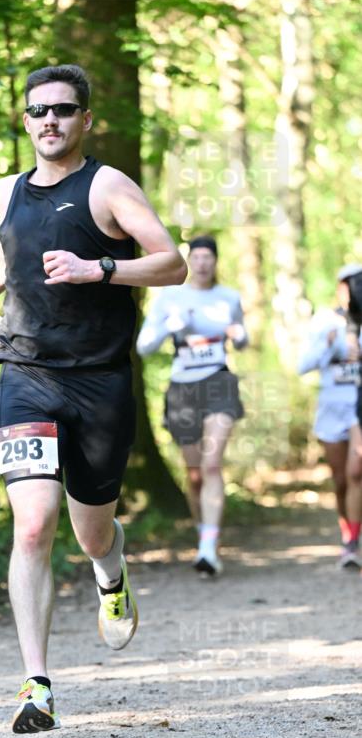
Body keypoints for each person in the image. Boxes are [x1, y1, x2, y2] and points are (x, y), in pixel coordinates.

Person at [0, 64, 186, 734]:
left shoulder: (108, 186)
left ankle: (110, 571)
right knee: (31, 523)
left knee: (90, 530)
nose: (50, 121)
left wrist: (101, 269)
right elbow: (10, 255)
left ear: (85, 119)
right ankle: (36, 686)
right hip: (25, 373)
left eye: (63, 110)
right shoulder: (7, 190)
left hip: (100, 380)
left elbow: (171, 263)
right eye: (38, 111)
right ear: (25, 120)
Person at [136, 235, 247, 575]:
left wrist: (239, 335)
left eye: (208, 257)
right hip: (183, 388)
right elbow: (143, 347)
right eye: (196, 257)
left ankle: (209, 549)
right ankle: (203, 535)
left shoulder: (229, 297)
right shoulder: (170, 297)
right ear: (188, 260)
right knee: (196, 474)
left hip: (218, 382)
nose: (202, 263)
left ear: (215, 261)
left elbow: (243, 337)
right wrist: (172, 325)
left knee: (212, 465)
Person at [298, 264, 362, 569]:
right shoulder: (324, 321)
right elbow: (303, 365)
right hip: (331, 410)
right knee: (340, 481)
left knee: (356, 472)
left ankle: (352, 543)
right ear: (340, 288)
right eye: (350, 284)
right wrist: (327, 344)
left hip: (358, 411)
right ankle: (347, 534)